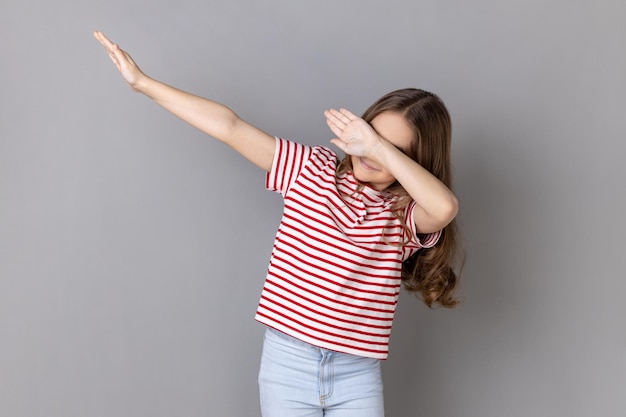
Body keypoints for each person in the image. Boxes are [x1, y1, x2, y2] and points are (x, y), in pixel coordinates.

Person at [94, 30, 461, 417]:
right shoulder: (309, 169)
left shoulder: (402, 213)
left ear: (413, 160)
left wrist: (375, 146)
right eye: (370, 135)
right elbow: (230, 127)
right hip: (288, 366)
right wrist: (143, 84)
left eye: (391, 149)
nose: (369, 152)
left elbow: (445, 206)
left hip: (357, 375)